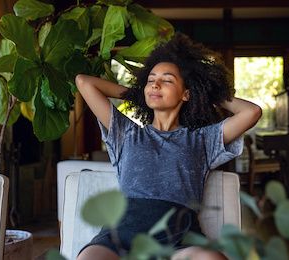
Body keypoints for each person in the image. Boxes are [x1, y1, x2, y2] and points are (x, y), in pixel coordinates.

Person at [75, 33, 262, 260]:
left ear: (186, 94)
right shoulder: (126, 133)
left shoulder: (202, 140)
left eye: (167, 80)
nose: (155, 84)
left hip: (178, 242)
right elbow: (84, 82)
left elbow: (251, 112)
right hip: (119, 238)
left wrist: (206, 92)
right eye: (151, 79)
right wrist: (137, 94)